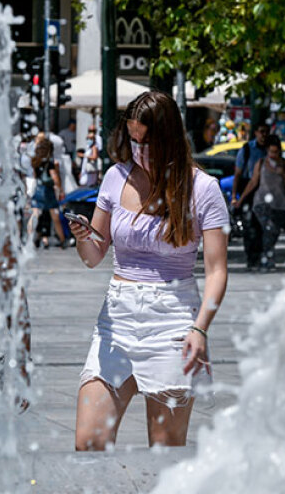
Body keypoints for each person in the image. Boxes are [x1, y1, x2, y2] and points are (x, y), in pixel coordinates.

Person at [67, 91, 229, 450]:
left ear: (169, 138)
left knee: (165, 453)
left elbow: (217, 271)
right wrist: (83, 237)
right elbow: (94, 256)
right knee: (89, 443)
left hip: (173, 319)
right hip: (117, 319)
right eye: (133, 140)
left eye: (147, 142)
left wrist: (200, 328)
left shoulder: (202, 189)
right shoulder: (115, 177)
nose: (139, 150)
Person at [232, 135, 285, 272]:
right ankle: (267, 259)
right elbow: (253, 182)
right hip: (261, 203)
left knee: (274, 232)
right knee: (269, 229)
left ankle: (266, 256)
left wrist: (282, 174)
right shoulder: (261, 163)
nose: (273, 155)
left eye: (276, 152)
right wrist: (240, 199)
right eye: (271, 152)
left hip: (279, 204)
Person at [233, 122, 270, 270]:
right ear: (256, 133)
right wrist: (235, 196)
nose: (264, 135)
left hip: (265, 190)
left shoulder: (270, 149)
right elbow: (238, 174)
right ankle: (251, 257)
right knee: (249, 226)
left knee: (262, 226)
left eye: (266, 132)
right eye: (261, 131)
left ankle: (261, 255)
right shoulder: (247, 149)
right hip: (248, 190)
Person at [29, 136, 67, 249]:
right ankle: (62, 240)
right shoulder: (50, 162)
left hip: (38, 190)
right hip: (48, 192)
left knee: (35, 215)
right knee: (55, 217)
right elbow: (55, 178)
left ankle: (29, 240)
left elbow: (35, 177)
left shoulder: (35, 160)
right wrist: (59, 190)